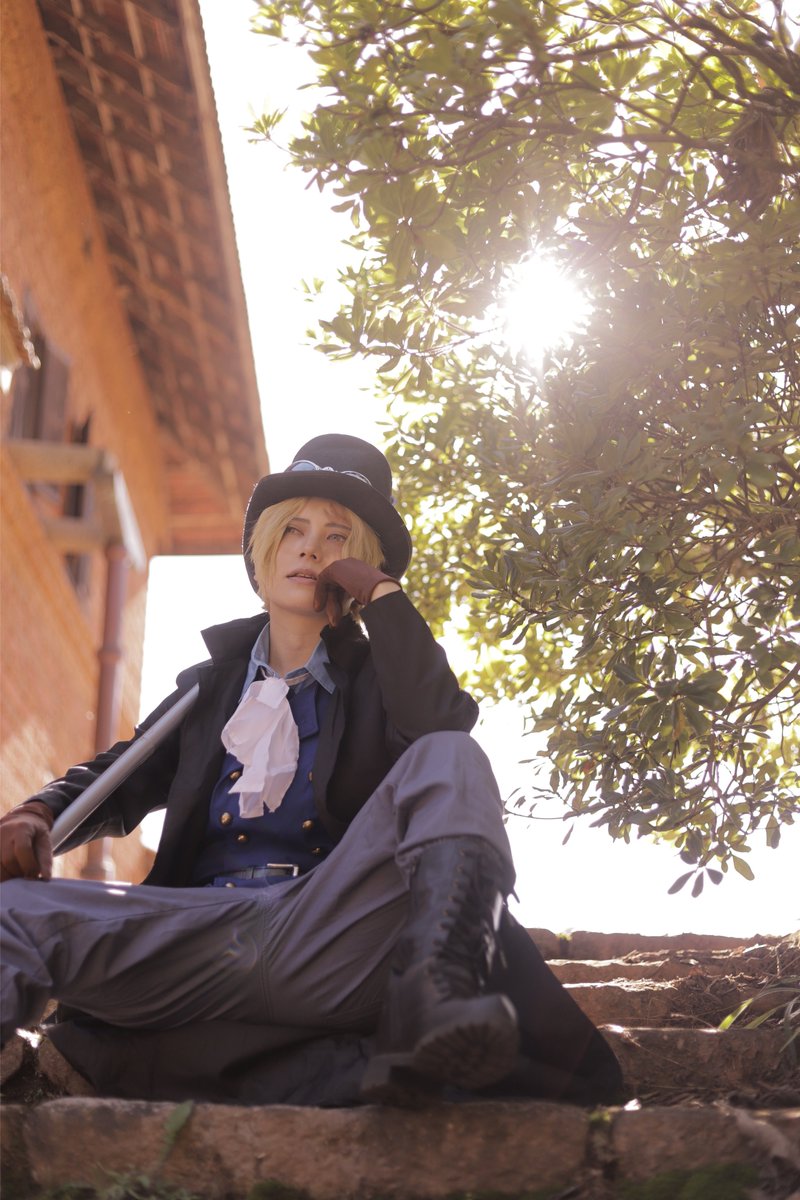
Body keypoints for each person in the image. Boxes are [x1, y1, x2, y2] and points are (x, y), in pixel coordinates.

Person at [0, 434, 622, 1107]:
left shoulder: (385, 682)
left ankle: (436, 993)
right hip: (197, 938)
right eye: (293, 531)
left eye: (337, 537)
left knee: (451, 753)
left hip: (334, 937)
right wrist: (38, 812)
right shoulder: (207, 690)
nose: (311, 549)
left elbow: (442, 727)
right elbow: (118, 776)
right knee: (10, 912)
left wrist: (380, 595)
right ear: (263, 556)